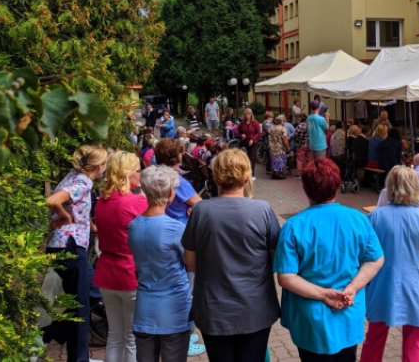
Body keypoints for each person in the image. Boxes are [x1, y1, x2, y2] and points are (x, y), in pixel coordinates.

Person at [274, 159, 384, 361]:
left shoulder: (294, 226)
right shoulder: (358, 219)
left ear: (305, 188)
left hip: (310, 318)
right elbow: (375, 260)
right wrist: (352, 288)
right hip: (348, 310)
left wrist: (324, 294)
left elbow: (286, 277)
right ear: (336, 184)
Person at [182, 149, 281, 362]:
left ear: (216, 174)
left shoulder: (201, 211)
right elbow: (276, 259)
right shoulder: (263, 210)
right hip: (255, 308)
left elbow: (190, 263)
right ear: (246, 175)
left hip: (214, 309)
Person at [362, 166, 419, 362]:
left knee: (374, 339)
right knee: (414, 343)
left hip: (382, 286)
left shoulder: (374, 217)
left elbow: (364, 256)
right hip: (417, 287)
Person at [128, 165, 200, 362]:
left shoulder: (133, 225)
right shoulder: (175, 228)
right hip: (174, 309)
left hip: (144, 308)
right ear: (170, 193)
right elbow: (192, 264)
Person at [45, 146, 108, 362]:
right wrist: (64, 217)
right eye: (105, 164)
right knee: (81, 305)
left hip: (62, 245)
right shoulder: (83, 182)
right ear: (99, 166)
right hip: (69, 246)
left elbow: (78, 207)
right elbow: (53, 200)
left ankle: (58, 331)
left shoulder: (73, 176)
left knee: (92, 290)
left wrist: (90, 226)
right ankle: (76, 355)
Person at [93, 152, 147, 362]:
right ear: (127, 174)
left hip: (107, 271)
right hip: (130, 272)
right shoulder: (136, 202)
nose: (140, 175)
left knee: (115, 335)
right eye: (137, 170)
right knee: (132, 338)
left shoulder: (101, 202)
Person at [153, 139, 202, 227]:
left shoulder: (153, 174)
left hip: (161, 222)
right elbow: (200, 205)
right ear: (178, 156)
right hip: (179, 225)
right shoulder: (177, 181)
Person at [235, 108, 262, 175]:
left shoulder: (255, 122)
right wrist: (241, 135)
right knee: (245, 157)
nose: (247, 116)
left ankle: (252, 173)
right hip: (245, 142)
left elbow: (258, 133)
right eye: (246, 114)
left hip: (253, 142)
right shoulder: (242, 123)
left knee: (252, 157)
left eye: (249, 114)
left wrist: (253, 140)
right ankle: (246, 172)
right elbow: (237, 132)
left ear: (251, 115)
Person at [294, 113, 311, 179]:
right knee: (309, 159)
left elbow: (296, 134)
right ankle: (309, 172)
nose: (298, 119)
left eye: (299, 117)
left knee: (300, 159)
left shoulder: (300, 125)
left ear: (301, 118)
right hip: (309, 144)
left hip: (301, 144)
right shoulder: (309, 125)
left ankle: (299, 174)